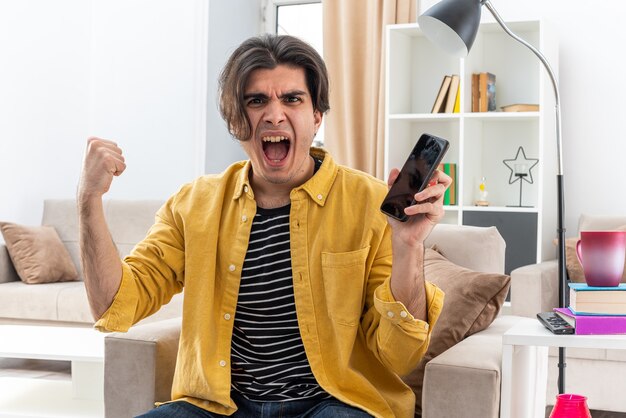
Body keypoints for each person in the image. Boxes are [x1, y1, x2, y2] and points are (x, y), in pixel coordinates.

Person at [78, 34, 449, 418]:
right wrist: (88, 201)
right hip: (218, 407)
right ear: (236, 120)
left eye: (292, 99)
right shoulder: (194, 204)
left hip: (333, 403)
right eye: (257, 101)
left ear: (316, 116)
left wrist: (408, 246)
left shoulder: (370, 203)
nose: (274, 114)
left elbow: (400, 354)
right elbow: (112, 305)